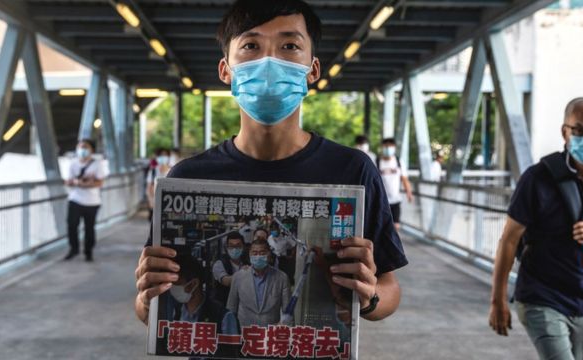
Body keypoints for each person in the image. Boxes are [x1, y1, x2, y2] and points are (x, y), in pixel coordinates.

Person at [135, 0, 407, 327]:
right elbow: (149, 311)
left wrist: (369, 296)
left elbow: (389, 287)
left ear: (313, 70)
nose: (269, 62)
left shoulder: (353, 170)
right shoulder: (188, 177)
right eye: (251, 45)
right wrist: (144, 297)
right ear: (225, 70)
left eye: (290, 46)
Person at [489, 98, 583, 360]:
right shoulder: (537, 178)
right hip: (543, 295)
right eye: (580, 130)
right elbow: (509, 240)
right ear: (565, 131)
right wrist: (498, 300)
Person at [227, 239, 290, 327]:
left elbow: (288, 312)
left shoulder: (281, 278)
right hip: (244, 332)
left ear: (269, 254)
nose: (258, 256)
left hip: (271, 333)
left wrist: (287, 333)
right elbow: (231, 308)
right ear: (249, 254)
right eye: (255, 253)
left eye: (262, 253)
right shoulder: (238, 277)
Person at [171, 254, 238, 334]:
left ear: (193, 284)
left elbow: (231, 346)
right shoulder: (176, 312)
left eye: (176, 283)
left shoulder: (222, 316)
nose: (172, 287)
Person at [64, 139, 105, 262]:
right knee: (72, 225)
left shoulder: (97, 164)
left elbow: (99, 182)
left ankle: (88, 251)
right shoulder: (73, 163)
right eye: (80, 147)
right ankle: (74, 248)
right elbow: (69, 182)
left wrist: (81, 183)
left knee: (89, 228)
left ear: (92, 150)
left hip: (92, 202)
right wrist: (85, 182)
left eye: (85, 147)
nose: (82, 150)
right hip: (75, 199)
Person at [378, 138, 413, 231]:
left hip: (395, 200)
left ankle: (393, 244)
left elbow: (404, 178)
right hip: (381, 201)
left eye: (390, 146)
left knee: (396, 226)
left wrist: (409, 192)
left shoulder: (398, 161)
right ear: (382, 147)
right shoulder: (377, 161)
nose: (388, 148)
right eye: (386, 146)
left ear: (394, 148)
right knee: (382, 226)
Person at [212, 232, 248, 306]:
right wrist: (242, 273)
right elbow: (226, 281)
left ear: (243, 247)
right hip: (224, 305)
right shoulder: (219, 264)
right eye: (231, 246)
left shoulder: (248, 262)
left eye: (238, 246)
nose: (234, 249)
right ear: (226, 247)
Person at [146, 148, 171, 220]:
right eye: (161, 155)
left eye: (165, 155)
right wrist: (151, 202)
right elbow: (148, 189)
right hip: (155, 205)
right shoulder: (153, 171)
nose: (163, 157)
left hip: (167, 206)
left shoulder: (172, 171)